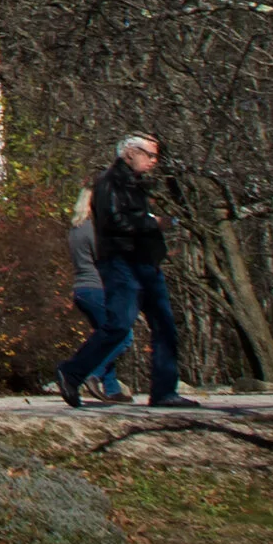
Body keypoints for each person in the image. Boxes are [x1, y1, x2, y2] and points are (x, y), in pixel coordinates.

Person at [57, 133, 201, 411]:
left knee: (165, 327)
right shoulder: (109, 182)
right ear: (130, 153)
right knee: (119, 325)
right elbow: (115, 221)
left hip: (145, 263)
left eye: (156, 156)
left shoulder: (135, 184)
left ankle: (163, 391)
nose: (154, 161)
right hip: (122, 263)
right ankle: (72, 372)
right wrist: (154, 223)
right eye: (149, 155)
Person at [66, 186, 124, 404]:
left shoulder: (75, 229)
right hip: (98, 288)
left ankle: (112, 388)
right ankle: (90, 374)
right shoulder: (95, 229)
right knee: (122, 335)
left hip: (81, 290)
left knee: (105, 336)